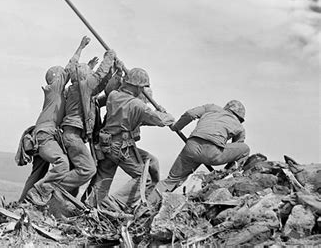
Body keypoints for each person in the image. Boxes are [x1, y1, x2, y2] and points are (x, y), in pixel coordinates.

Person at [88, 67, 174, 211]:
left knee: (104, 177)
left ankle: (93, 206)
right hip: (121, 147)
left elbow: (136, 118)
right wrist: (166, 114)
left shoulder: (113, 96)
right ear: (138, 87)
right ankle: (114, 203)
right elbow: (160, 121)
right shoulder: (137, 105)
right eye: (142, 88)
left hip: (106, 144)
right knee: (144, 178)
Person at [23, 35, 90, 206]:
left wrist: (88, 68)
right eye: (61, 74)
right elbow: (70, 68)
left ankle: (22, 203)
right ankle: (40, 192)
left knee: (37, 173)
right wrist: (81, 47)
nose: (65, 76)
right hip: (45, 135)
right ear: (56, 77)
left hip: (44, 135)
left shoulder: (58, 93)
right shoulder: (54, 89)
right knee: (62, 163)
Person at [150, 100, 250, 200]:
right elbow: (236, 148)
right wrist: (226, 170)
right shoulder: (239, 127)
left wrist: (176, 127)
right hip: (213, 153)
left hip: (191, 147)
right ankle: (228, 176)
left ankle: (146, 205)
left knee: (171, 180)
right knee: (245, 149)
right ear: (240, 117)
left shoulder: (211, 108)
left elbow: (190, 114)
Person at [57, 47, 117, 196]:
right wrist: (109, 56)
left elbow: (101, 85)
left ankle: (61, 200)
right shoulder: (83, 86)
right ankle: (51, 187)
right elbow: (99, 75)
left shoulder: (76, 89)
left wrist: (113, 72)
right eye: (89, 74)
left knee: (75, 173)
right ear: (85, 76)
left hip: (71, 136)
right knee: (88, 169)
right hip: (72, 136)